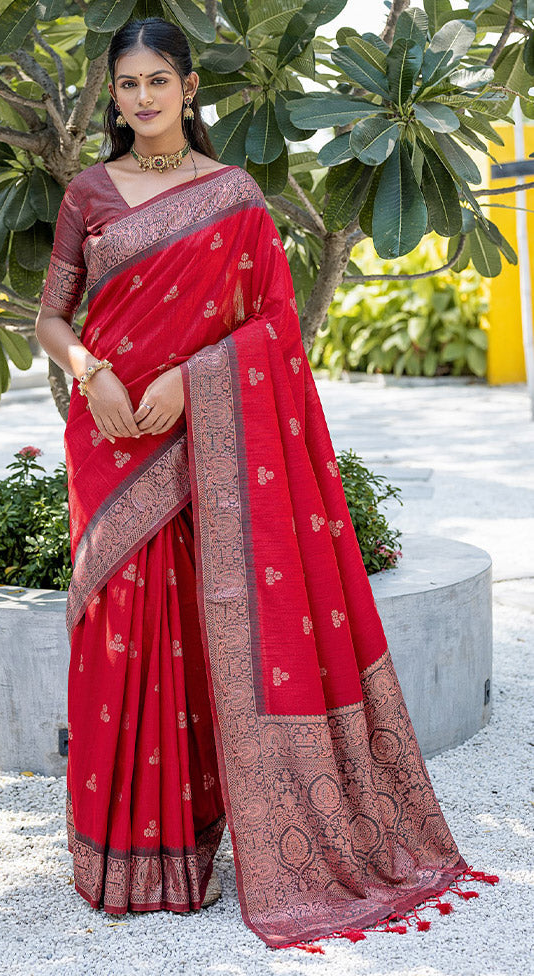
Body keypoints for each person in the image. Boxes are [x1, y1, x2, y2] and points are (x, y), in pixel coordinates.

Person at [34, 16, 496, 951]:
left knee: (209, 631)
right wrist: (92, 369)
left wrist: (189, 382)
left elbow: (276, 329)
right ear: (114, 97)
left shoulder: (236, 197)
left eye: (157, 81)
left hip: (198, 439)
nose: (142, 100)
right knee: (122, 635)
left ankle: (196, 847)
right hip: (112, 440)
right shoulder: (88, 192)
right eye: (126, 86)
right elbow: (51, 317)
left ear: (191, 88)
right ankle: (123, 852)